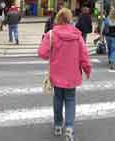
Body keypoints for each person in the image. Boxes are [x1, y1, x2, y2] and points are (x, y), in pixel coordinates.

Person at [38, 8, 92, 141]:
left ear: (58, 19)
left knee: (57, 99)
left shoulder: (52, 34)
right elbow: (84, 56)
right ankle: (69, 127)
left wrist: (50, 49)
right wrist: (87, 69)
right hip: (72, 75)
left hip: (56, 74)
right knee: (70, 100)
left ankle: (57, 125)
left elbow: (42, 54)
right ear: (70, 19)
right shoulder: (77, 36)